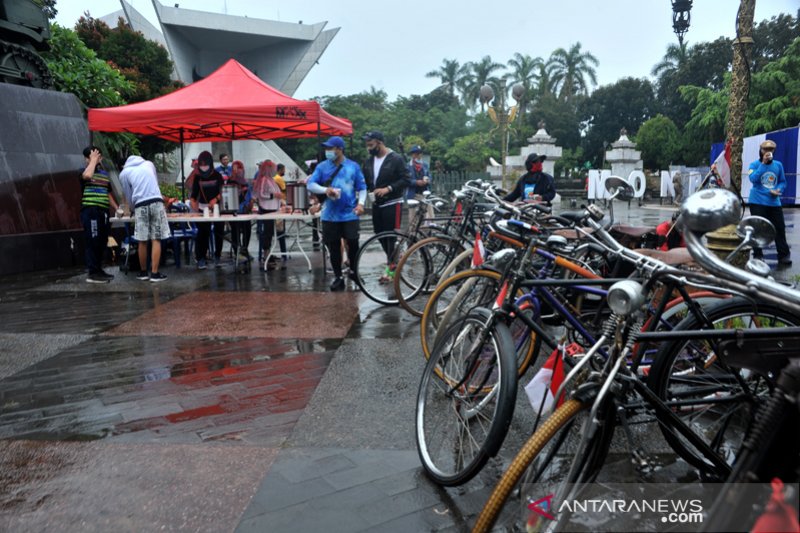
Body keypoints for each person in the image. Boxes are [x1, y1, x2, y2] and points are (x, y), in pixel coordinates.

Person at [306, 136, 367, 291]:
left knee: (353, 243)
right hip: (329, 215)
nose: (327, 152)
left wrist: (361, 204)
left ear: (340, 149)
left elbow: (362, 187)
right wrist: (325, 190)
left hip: (350, 213)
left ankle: (354, 271)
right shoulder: (322, 167)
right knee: (333, 246)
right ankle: (338, 276)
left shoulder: (353, 167)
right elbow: (311, 184)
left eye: (330, 148)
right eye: (326, 149)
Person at [362, 131, 409, 279]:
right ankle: (394, 259)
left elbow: (406, 179)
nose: (369, 148)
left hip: (393, 202)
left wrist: (388, 188)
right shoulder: (369, 161)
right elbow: (365, 180)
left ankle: (391, 268)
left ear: (380, 143)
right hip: (377, 203)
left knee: (390, 236)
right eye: (367, 146)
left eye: (371, 145)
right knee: (380, 234)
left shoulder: (395, 159)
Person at [119, 155, 171, 282]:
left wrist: (132, 208)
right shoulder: (149, 164)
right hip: (156, 201)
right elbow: (154, 183)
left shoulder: (124, 173)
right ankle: (155, 274)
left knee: (142, 240)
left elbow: (128, 194)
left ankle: (143, 273)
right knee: (156, 238)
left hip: (140, 204)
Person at [80, 146, 119, 283]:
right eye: (93, 157)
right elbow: (88, 176)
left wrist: (116, 208)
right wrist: (93, 161)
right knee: (93, 240)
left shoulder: (104, 174)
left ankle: (99, 269)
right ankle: (92, 272)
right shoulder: (83, 171)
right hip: (91, 211)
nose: (97, 159)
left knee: (102, 241)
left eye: (98, 157)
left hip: (103, 211)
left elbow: (108, 193)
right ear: (87, 159)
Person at [749, 139, 791, 266]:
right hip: (757, 201)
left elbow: (783, 181)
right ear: (761, 151)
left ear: (774, 151)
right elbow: (753, 179)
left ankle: (783, 255)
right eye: (765, 150)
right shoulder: (754, 165)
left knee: (779, 228)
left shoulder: (778, 165)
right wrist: (763, 164)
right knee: (758, 229)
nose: (768, 152)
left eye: (770, 150)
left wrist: (779, 189)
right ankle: (757, 255)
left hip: (774, 202)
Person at [190, 150, 225, 269]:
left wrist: (216, 199)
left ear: (210, 164)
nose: (204, 168)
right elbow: (194, 194)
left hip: (216, 208)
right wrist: (192, 202)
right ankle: (201, 258)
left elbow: (222, 192)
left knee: (219, 232)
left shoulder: (217, 176)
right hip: (202, 208)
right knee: (203, 233)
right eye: (201, 165)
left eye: (206, 165)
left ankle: (217, 256)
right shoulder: (197, 177)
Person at [253, 159, 283, 270]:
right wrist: (274, 196)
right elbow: (261, 195)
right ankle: (266, 255)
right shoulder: (264, 180)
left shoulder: (271, 179)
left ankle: (268, 253)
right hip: (266, 209)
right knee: (267, 233)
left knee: (270, 232)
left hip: (273, 208)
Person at [228, 160, 253, 261]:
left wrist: (249, 203)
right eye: (235, 168)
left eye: (239, 168)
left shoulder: (245, 182)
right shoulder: (230, 182)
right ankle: (236, 252)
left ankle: (245, 249)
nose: (238, 171)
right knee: (235, 230)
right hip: (233, 211)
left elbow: (249, 197)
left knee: (248, 228)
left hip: (244, 211)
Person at [406, 145, 434, 227]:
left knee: (430, 215)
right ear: (412, 154)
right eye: (416, 153)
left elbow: (430, 176)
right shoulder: (407, 166)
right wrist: (416, 182)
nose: (418, 155)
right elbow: (406, 180)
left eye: (419, 153)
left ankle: (428, 234)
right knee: (413, 217)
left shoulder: (425, 165)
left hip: (425, 194)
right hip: (413, 194)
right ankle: (412, 235)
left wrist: (427, 180)